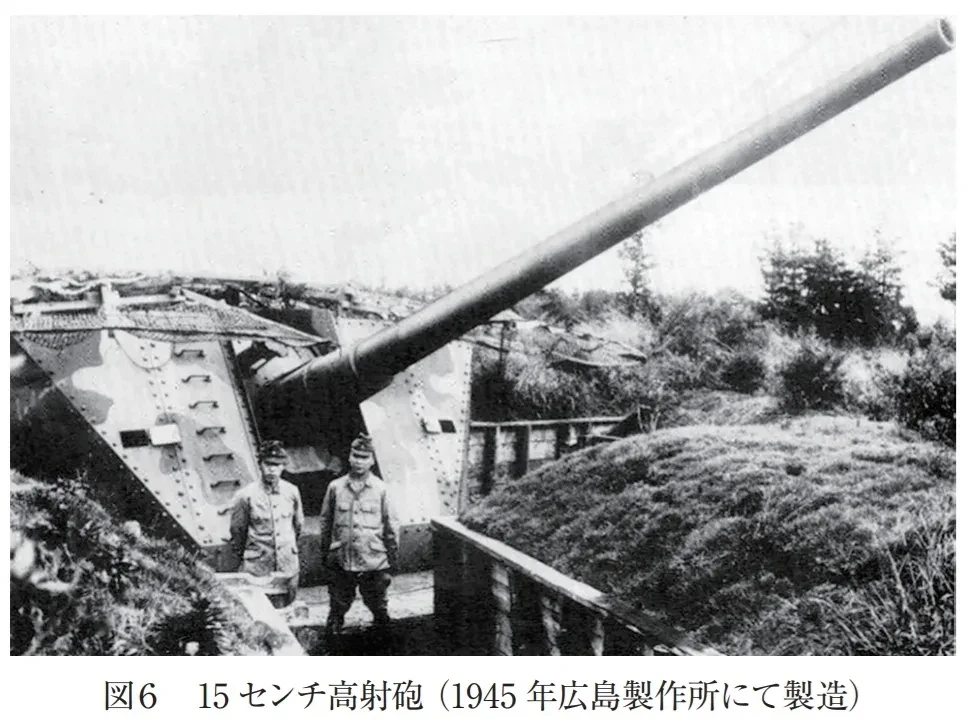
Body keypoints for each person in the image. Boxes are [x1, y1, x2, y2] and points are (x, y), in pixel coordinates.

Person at [320, 434, 398, 634]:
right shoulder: (336, 487)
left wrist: (391, 557)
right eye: (356, 456)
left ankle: (384, 640)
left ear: (372, 460)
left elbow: (391, 525)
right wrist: (326, 553)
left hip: (373, 559)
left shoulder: (381, 489)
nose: (359, 461)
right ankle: (333, 639)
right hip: (342, 558)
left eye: (364, 457)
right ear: (349, 457)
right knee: (337, 606)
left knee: (378, 606)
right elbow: (326, 523)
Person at [229, 439, 303, 605]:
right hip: (258, 565)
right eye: (268, 464)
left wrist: (287, 546)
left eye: (277, 465)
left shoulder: (292, 492)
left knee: (287, 606)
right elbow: (237, 531)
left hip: (287, 564)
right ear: (260, 465)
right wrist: (251, 552)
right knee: (259, 606)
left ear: (283, 466)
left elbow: (298, 525)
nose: (272, 469)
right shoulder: (245, 495)